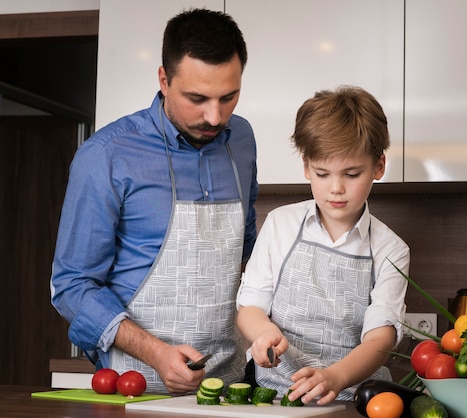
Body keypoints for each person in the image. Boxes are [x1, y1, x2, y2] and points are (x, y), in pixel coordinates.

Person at [50, 8, 257, 394]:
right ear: (164, 79)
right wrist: (157, 353)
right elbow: (72, 287)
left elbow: (246, 254)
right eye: (197, 98)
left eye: (228, 97)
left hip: (230, 385)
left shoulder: (242, 140)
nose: (214, 117)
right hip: (136, 383)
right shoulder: (108, 155)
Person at [236, 86, 410, 404]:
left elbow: (380, 339)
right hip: (274, 392)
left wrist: (336, 377)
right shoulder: (280, 224)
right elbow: (250, 308)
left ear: (379, 166)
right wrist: (263, 333)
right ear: (306, 167)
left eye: (352, 173)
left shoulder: (391, 250)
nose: (336, 188)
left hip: (352, 397)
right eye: (322, 173)